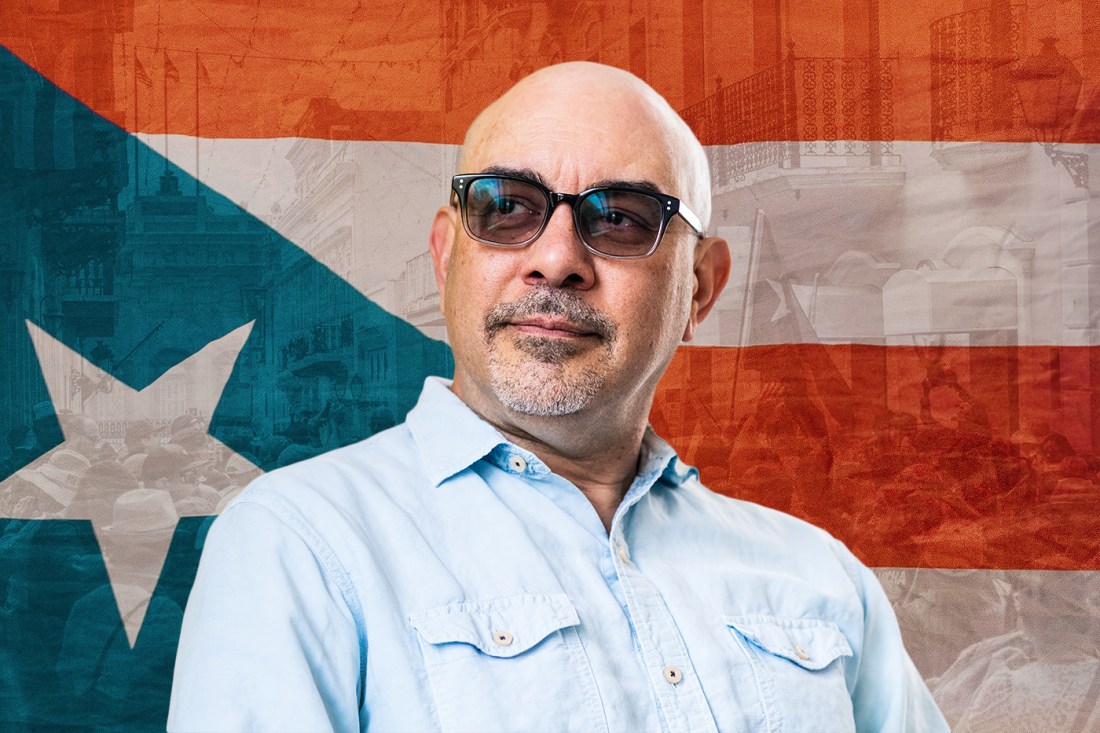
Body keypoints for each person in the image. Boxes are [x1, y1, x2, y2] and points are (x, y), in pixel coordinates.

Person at [169, 62, 946, 732]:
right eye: (506, 208)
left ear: (700, 288)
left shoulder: (823, 581)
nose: (556, 258)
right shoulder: (303, 546)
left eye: (621, 218)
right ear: (446, 257)